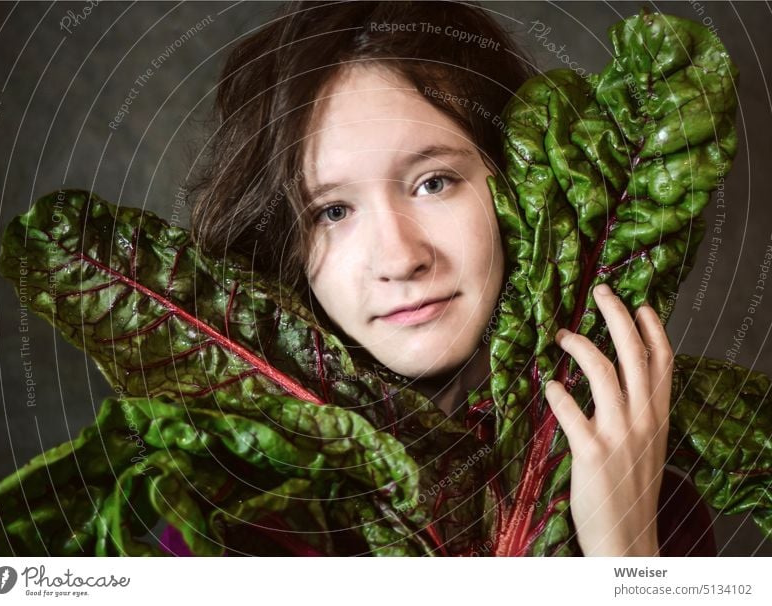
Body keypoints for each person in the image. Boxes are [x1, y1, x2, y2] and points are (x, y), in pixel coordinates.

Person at [183, 0, 716, 556]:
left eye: (433, 182)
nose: (399, 258)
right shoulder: (221, 518)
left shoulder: (648, 501)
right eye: (332, 211)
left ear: (523, 186)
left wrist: (625, 555)